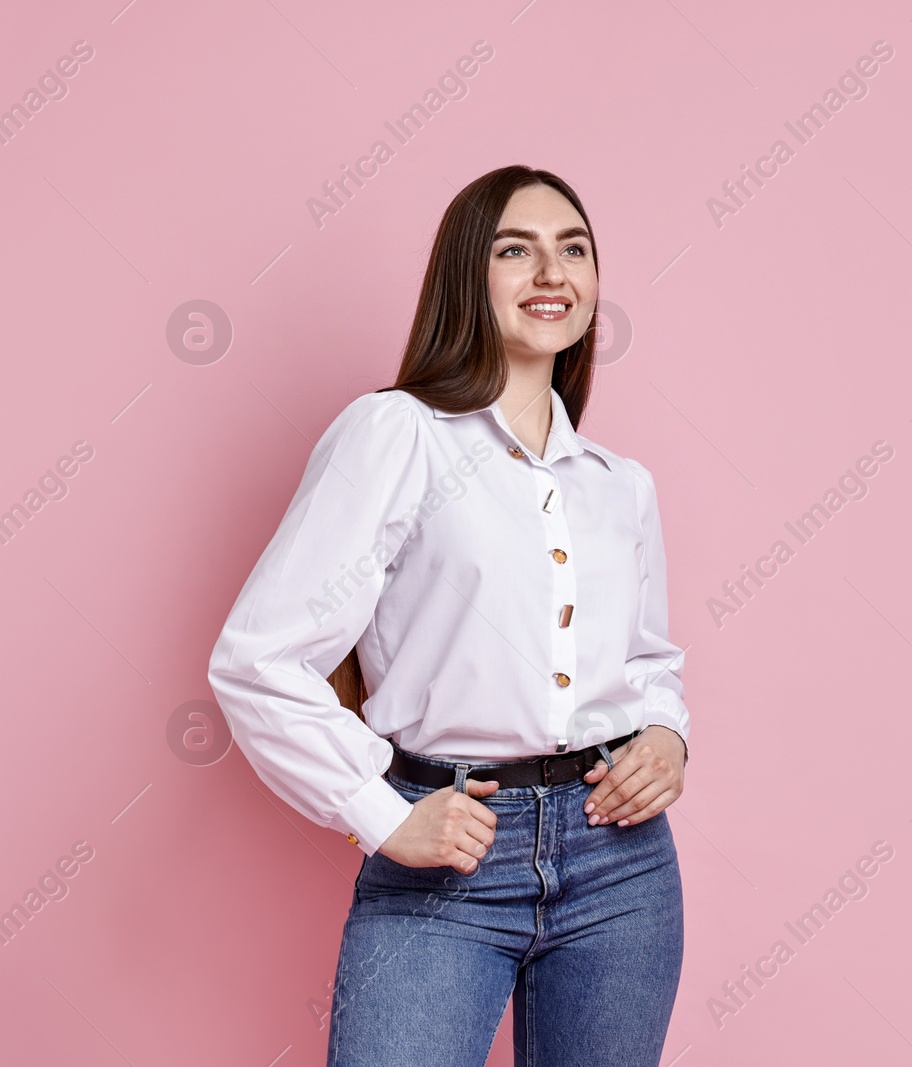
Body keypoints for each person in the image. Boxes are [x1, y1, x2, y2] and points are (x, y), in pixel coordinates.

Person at [207, 165, 689, 1066]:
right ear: (467, 273)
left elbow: (649, 663)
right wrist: (380, 812)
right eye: (517, 249)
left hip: (623, 864)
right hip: (448, 851)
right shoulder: (396, 434)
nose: (552, 272)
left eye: (573, 250)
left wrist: (665, 736)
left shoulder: (622, 486)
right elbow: (258, 658)